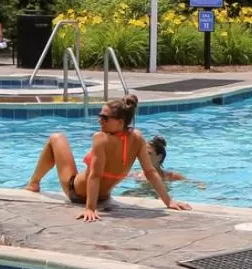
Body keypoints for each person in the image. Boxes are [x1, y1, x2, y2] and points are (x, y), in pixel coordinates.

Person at [23, 94, 192, 222]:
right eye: (99, 116)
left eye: (104, 118)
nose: (99, 121)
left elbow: (148, 171)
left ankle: (33, 183)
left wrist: (90, 208)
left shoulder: (102, 139)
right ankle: (34, 182)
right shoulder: (136, 137)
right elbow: (148, 172)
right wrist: (168, 201)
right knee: (57, 139)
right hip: (96, 194)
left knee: (57, 138)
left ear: (120, 122)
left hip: (77, 193)